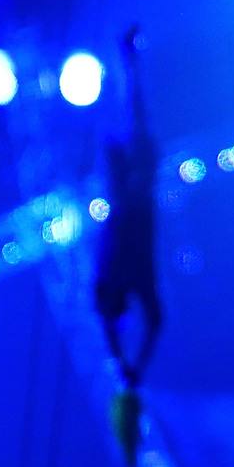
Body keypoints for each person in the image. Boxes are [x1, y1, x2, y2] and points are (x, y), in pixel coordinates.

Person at [95, 27, 163, 399]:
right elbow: (154, 323)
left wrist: (129, 364)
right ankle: (127, 59)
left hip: (128, 202)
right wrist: (130, 365)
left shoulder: (121, 283)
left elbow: (149, 324)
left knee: (132, 121)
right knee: (134, 120)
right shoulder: (133, 282)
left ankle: (126, 59)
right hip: (132, 201)